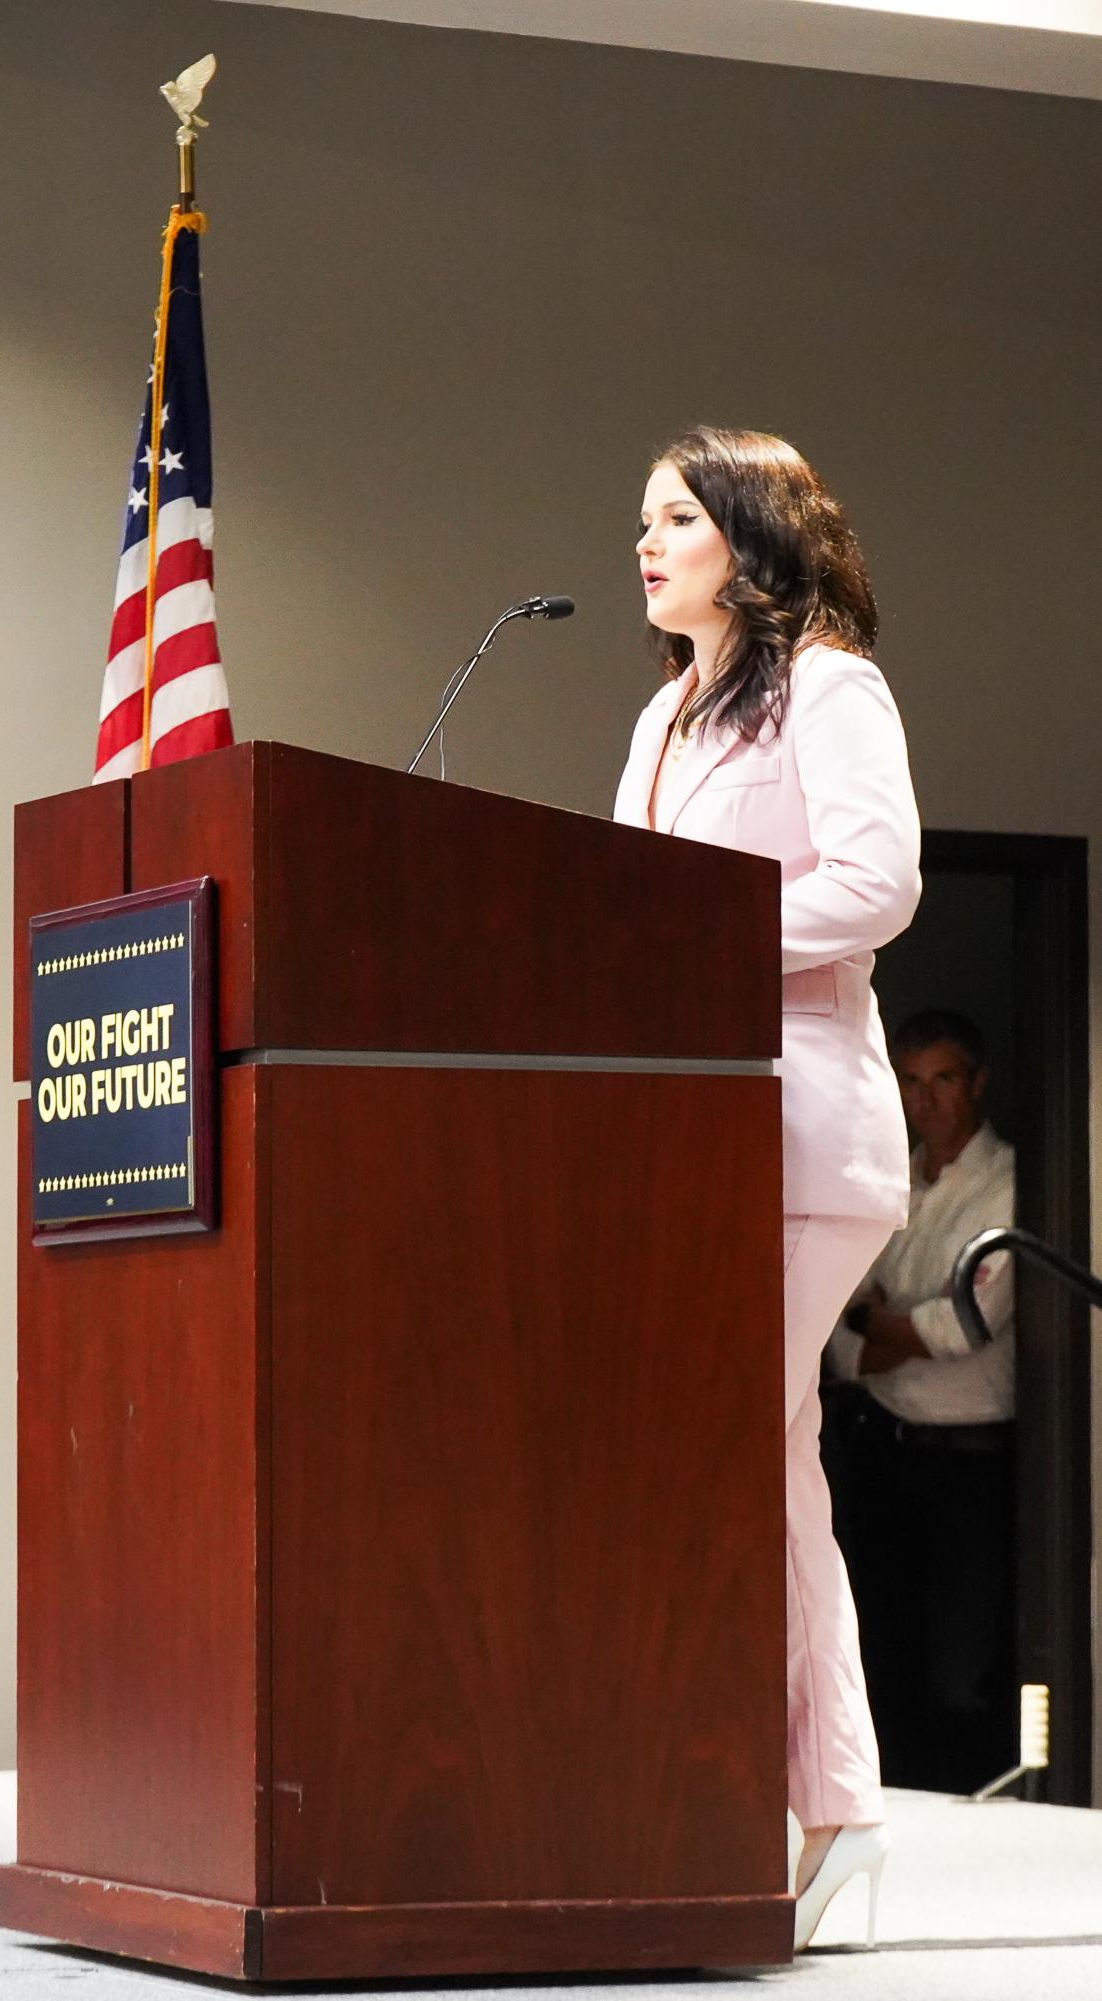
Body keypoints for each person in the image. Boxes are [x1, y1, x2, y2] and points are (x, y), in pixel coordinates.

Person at [614, 426, 920, 1950]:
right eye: (641, 522)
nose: (646, 542)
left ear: (749, 532)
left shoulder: (831, 686)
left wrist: (691, 941)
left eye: (674, 516)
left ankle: (827, 1802)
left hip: (803, 1133)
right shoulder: (660, 717)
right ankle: (830, 1805)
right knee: (759, 1457)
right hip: (686, 1135)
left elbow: (878, 880)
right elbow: (612, 908)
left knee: (745, 1449)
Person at [824, 1010, 1016, 1795]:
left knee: (957, 1665)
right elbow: (834, 1312)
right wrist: (874, 1327)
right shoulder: (888, 1175)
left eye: (942, 1078)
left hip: (967, 1459)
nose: (925, 1099)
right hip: (878, 1443)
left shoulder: (1009, 1181)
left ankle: (971, 1810)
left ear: (975, 1082)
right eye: (909, 1081)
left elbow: (958, 1329)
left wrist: (872, 1319)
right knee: (877, 1650)